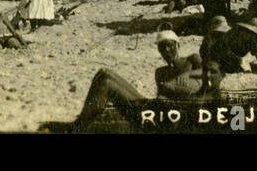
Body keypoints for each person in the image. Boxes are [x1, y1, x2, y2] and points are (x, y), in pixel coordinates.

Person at [74, 30, 222, 130]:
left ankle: (78, 127)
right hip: (154, 111)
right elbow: (161, 96)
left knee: (105, 82)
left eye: (170, 46)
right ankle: (83, 121)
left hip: (170, 117)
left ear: (178, 45)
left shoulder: (192, 60)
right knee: (104, 73)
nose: (166, 51)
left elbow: (206, 79)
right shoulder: (160, 72)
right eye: (162, 48)